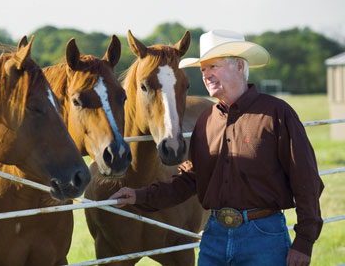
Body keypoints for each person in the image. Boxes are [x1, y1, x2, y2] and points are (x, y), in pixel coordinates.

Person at [109, 29, 324, 266]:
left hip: (264, 237)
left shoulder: (277, 115)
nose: (206, 75)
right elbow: (190, 180)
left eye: (214, 67)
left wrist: (304, 242)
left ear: (240, 67)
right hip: (214, 238)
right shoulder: (206, 121)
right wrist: (139, 196)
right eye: (203, 69)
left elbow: (306, 180)